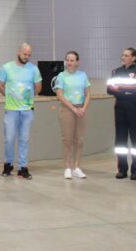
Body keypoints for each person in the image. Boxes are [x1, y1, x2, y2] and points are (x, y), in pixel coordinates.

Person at [0, 43, 42, 180]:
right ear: (18, 52)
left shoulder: (34, 69)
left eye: (29, 55)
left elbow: (38, 87)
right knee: (9, 139)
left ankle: (23, 168)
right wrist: (10, 96)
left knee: (24, 139)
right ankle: (8, 165)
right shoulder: (6, 67)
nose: (26, 57)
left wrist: (29, 95)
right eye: (24, 54)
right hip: (11, 110)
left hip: (27, 110)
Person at [107, 47, 136, 181]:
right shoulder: (116, 71)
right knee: (120, 139)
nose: (123, 57)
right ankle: (122, 170)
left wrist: (120, 88)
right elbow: (109, 88)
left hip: (135, 107)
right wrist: (125, 90)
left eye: (126, 55)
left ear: (133, 58)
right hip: (120, 106)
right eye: (122, 55)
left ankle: (135, 171)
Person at [53, 51, 91, 179]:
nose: (69, 62)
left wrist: (83, 108)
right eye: (67, 60)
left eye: (72, 60)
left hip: (81, 110)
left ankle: (77, 167)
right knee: (67, 140)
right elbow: (60, 95)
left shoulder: (83, 75)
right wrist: (73, 109)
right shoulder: (61, 76)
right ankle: (67, 167)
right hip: (67, 110)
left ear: (77, 62)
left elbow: (88, 94)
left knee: (79, 140)